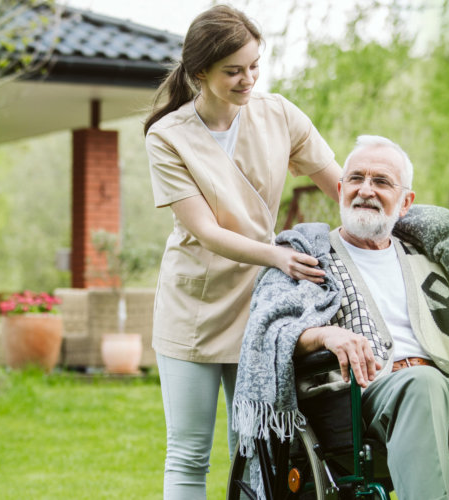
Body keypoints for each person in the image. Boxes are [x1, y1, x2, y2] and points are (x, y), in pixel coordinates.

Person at [229, 136, 449, 500]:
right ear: (340, 188)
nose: (366, 190)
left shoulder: (425, 260)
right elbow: (272, 328)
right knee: (421, 383)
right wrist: (325, 335)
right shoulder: (313, 258)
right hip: (366, 402)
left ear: (406, 202)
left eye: (381, 182)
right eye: (356, 179)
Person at [143, 5, 346, 499]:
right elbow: (206, 232)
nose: (248, 79)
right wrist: (276, 254)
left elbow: (341, 185)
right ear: (200, 74)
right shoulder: (167, 137)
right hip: (193, 305)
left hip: (259, 309)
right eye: (233, 71)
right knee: (189, 452)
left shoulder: (279, 115)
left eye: (255, 65)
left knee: (254, 445)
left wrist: (393, 227)